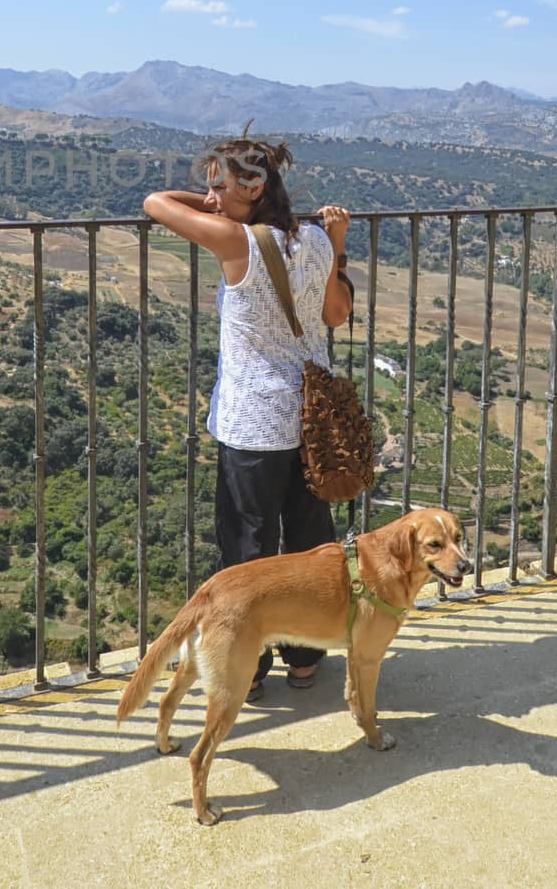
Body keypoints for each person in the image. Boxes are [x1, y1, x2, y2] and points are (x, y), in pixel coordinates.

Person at [144, 133, 353, 697]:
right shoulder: (314, 237)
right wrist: (336, 243)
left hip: (254, 422)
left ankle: (248, 668)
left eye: (220, 185)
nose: (210, 198)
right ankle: (306, 658)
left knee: (246, 550)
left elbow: (155, 203)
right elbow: (335, 314)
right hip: (311, 425)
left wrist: (212, 204)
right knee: (309, 543)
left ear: (255, 187)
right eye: (208, 187)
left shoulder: (234, 241)